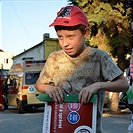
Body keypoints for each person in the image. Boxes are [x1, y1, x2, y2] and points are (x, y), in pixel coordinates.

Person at [35, 5, 129, 133]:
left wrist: (98, 85)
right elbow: (39, 84)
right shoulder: (54, 58)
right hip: (60, 127)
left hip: (90, 129)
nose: (65, 43)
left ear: (86, 33)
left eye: (70, 36)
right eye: (60, 37)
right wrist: (48, 88)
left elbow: (124, 84)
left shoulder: (99, 57)